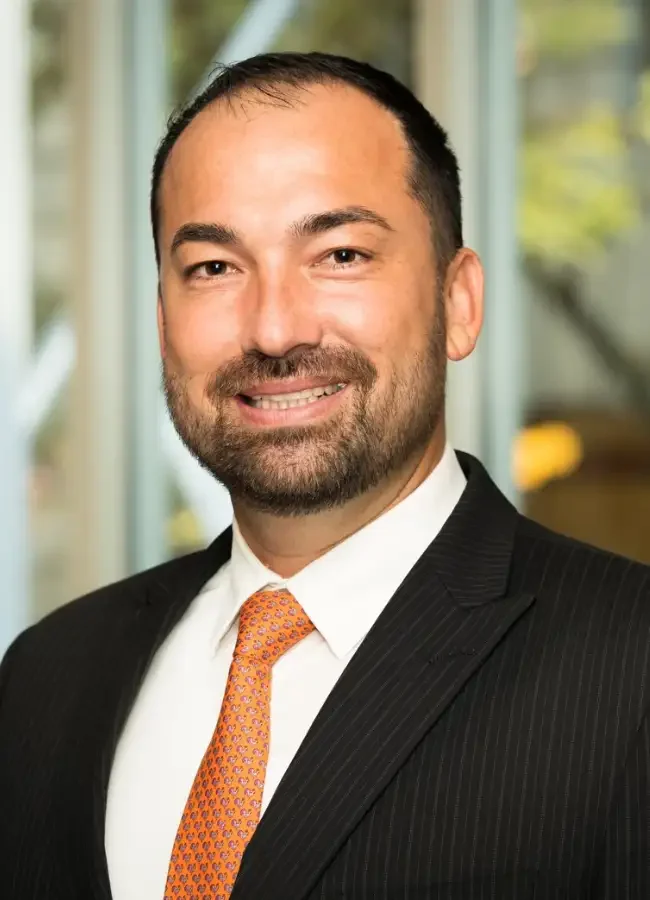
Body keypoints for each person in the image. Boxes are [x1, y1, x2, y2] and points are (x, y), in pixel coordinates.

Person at [0, 51, 648, 900]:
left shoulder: (629, 669)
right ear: (163, 324)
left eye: (340, 255)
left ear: (459, 303)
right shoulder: (49, 677)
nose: (273, 328)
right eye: (213, 268)